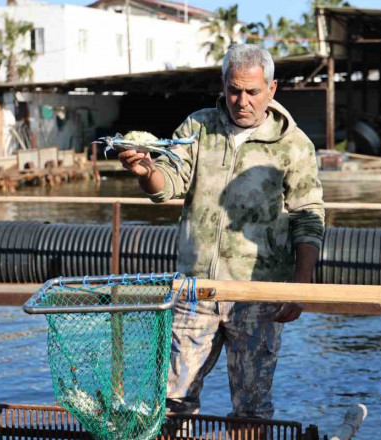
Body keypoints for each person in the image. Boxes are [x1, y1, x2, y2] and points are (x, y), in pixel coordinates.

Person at [117, 44, 325, 419]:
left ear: (272, 89)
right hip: (194, 291)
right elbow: (168, 185)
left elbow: (308, 216)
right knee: (171, 401)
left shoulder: (294, 146)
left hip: (258, 295)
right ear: (223, 86)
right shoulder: (198, 128)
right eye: (233, 90)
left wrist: (300, 286)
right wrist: (146, 170)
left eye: (252, 92)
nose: (241, 101)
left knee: (251, 408)